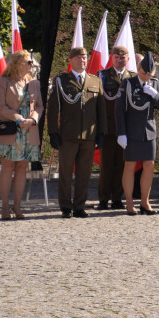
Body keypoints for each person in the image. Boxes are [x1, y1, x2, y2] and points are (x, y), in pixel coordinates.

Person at [47, 47, 107, 218]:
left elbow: (100, 109)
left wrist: (102, 132)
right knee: (65, 173)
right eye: (79, 58)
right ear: (70, 60)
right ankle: (66, 206)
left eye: (84, 58)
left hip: (89, 135)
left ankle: (79, 206)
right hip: (68, 135)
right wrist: (53, 132)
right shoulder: (61, 81)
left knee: (84, 173)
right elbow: (53, 109)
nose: (82, 60)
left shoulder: (95, 81)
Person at [0, 50, 43, 220]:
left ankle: (17, 207)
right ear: (17, 64)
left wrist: (33, 120)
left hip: (29, 131)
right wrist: (20, 118)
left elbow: (40, 106)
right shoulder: (3, 82)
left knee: (22, 168)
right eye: (28, 62)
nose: (32, 65)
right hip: (10, 131)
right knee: (8, 167)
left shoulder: (34, 83)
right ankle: (5, 207)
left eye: (31, 62)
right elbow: (1, 107)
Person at [116, 52, 159, 215]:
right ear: (138, 69)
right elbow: (119, 110)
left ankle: (145, 201)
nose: (147, 77)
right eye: (144, 74)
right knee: (130, 165)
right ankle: (130, 202)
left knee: (149, 166)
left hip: (149, 132)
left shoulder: (155, 83)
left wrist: (155, 94)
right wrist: (121, 133)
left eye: (150, 74)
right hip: (131, 132)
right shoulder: (128, 83)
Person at [96, 46, 134, 210]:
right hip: (108, 128)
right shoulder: (102, 75)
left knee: (122, 165)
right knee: (106, 166)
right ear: (112, 58)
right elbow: (97, 102)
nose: (120, 60)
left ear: (128, 59)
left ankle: (117, 198)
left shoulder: (132, 77)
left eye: (123, 57)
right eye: (117, 58)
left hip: (125, 128)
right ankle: (104, 199)